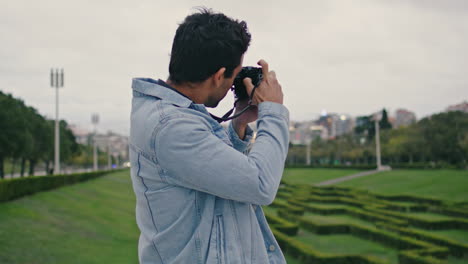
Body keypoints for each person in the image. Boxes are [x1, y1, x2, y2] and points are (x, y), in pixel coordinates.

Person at [129, 8, 289, 264]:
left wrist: (238, 121)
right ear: (217, 76)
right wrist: (274, 111)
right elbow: (260, 184)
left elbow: (220, 178)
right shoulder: (172, 126)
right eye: (233, 77)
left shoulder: (177, 115)